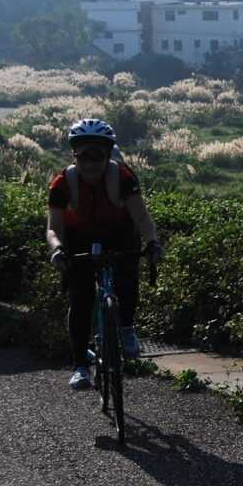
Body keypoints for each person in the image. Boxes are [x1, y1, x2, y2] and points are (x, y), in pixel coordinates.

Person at [46, 119, 164, 390]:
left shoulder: (123, 178)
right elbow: (53, 228)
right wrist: (57, 249)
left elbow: (142, 218)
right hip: (79, 237)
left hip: (119, 233)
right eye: (83, 156)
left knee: (126, 280)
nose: (90, 164)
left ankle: (126, 328)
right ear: (74, 156)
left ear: (108, 154)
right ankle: (79, 366)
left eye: (97, 156)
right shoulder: (63, 183)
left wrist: (153, 242)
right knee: (81, 300)